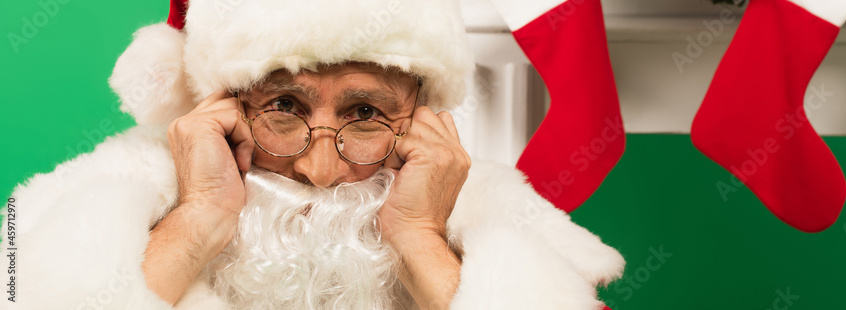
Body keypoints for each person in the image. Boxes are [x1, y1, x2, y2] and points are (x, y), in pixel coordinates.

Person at [10, 0, 625, 309]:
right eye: (283, 106)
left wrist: (418, 238)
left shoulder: (481, 209)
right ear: (218, 106)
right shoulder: (111, 188)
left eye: (365, 114)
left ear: (421, 120)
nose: (320, 170)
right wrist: (198, 217)